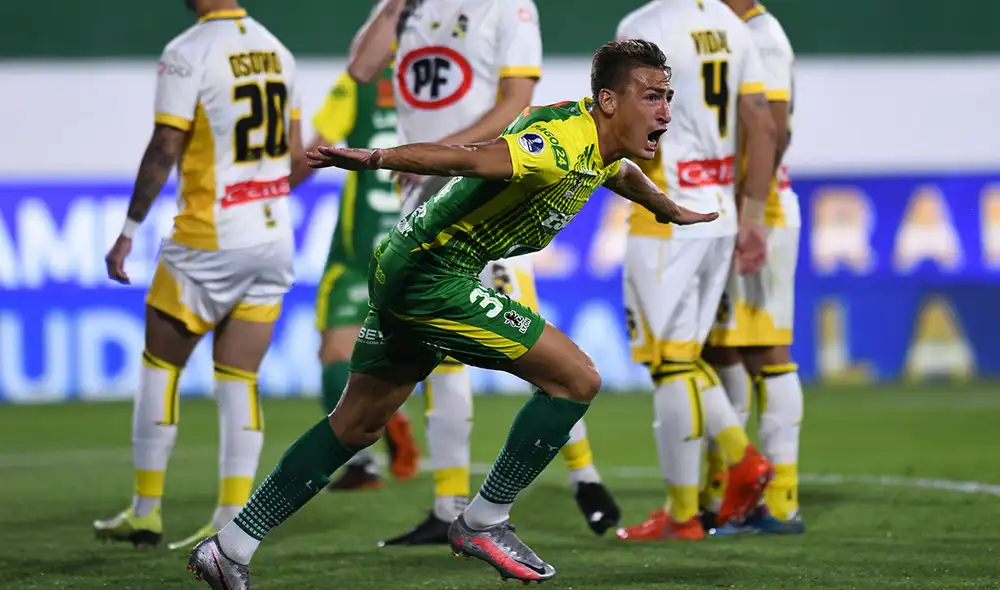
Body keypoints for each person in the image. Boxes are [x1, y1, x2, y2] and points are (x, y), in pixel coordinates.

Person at [187, 39, 718, 588]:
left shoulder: (596, 143)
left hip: (409, 263)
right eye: (651, 97)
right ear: (608, 101)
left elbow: (619, 173)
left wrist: (667, 208)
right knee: (577, 379)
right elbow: (470, 158)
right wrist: (378, 158)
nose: (664, 111)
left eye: (667, 97)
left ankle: (229, 548)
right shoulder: (557, 146)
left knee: (355, 424)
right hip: (433, 274)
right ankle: (484, 521)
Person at [347, 0, 619, 545]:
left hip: (485, 197)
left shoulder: (508, 8)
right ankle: (448, 504)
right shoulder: (405, 8)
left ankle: (585, 476)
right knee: (437, 349)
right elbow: (360, 69)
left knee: (532, 343)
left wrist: (443, 156)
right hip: (424, 193)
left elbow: (516, 103)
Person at [95, 0, 303, 550]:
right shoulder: (279, 50)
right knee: (239, 378)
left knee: (160, 365)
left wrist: (129, 229)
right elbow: (299, 153)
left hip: (209, 235)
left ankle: (145, 512)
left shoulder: (188, 51)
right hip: (273, 235)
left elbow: (167, 143)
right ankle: (232, 518)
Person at [613, 0, 779, 542]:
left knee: (670, 363)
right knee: (682, 358)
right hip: (720, 213)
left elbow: (625, 121)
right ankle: (687, 510)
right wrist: (753, 217)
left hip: (666, 210)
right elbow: (762, 124)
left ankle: (731, 466)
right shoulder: (733, 27)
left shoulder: (644, 26)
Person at [290, 65, 421, 491]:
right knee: (405, 354)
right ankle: (391, 419)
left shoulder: (360, 81)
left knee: (335, 353)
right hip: (417, 241)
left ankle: (364, 459)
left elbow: (315, 152)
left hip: (359, 250)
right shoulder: (442, 76)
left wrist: (269, 190)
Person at [703, 0, 804, 535]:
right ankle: (727, 491)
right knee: (721, 348)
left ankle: (782, 499)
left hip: (760, 210)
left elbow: (774, 131)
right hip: (732, 209)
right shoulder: (728, 32)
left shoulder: (763, 37)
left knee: (767, 351)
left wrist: (752, 213)